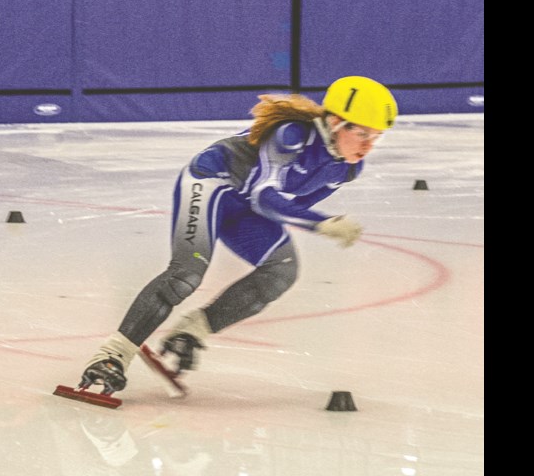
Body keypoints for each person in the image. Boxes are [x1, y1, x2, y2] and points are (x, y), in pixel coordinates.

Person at [77, 76, 398, 396]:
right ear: (335, 122)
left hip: (247, 208)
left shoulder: (347, 169)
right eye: (363, 134)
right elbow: (263, 196)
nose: (368, 145)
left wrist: (313, 220)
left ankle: (191, 331)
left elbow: (289, 205)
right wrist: (321, 223)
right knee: (186, 274)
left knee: (282, 270)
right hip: (211, 185)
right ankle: (112, 356)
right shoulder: (292, 136)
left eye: (377, 137)